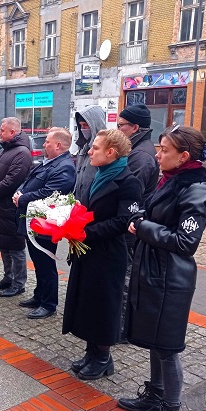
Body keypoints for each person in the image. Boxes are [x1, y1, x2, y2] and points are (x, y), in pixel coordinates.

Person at [118, 125, 206, 411]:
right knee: (154, 339)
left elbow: (186, 242)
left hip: (170, 278)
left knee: (168, 347)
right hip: (154, 271)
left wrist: (143, 227)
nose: (157, 154)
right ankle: (155, 395)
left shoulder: (198, 191)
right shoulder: (172, 180)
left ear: (183, 156)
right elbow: (160, 217)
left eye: (164, 149)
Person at [62, 129, 142, 380]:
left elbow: (123, 221)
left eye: (95, 148)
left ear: (111, 152)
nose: (89, 151)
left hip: (108, 254)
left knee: (104, 306)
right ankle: (91, 353)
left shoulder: (129, 181)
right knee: (88, 302)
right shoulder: (98, 174)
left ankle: (103, 357)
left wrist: (87, 234)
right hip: (88, 252)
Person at [14, 128, 76, 319]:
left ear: (58, 145)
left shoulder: (64, 166)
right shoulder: (49, 162)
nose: (44, 144)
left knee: (45, 264)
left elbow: (49, 193)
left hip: (45, 223)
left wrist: (23, 198)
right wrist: (20, 192)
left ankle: (49, 304)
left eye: (47, 141)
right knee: (38, 263)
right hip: (33, 221)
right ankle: (39, 295)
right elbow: (28, 181)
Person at [117, 104, 160, 341]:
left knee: (126, 277)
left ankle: (124, 328)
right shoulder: (134, 148)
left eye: (121, 125)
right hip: (127, 223)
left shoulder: (141, 155)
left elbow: (129, 191)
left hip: (129, 227)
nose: (118, 129)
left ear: (134, 127)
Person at [0, 117, 32, 297]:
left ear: (13, 132)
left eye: (3, 130)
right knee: (3, 245)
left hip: (10, 209)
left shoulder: (21, 153)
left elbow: (11, 181)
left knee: (15, 248)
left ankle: (19, 283)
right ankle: (7, 278)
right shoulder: (5, 150)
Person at [73, 105, 107, 205]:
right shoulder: (83, 148)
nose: (83, 129)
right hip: (80, 207)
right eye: (81, 126)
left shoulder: (105, 149)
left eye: (86, 125)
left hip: (94, 206)